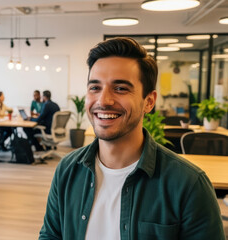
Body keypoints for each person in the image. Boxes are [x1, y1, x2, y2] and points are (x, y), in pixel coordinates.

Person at [39, 37, 224, 239]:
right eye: (95, 87)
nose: (103, 100)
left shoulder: (188, 184)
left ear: (149, 101)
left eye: (120, 88)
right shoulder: (67, 170)